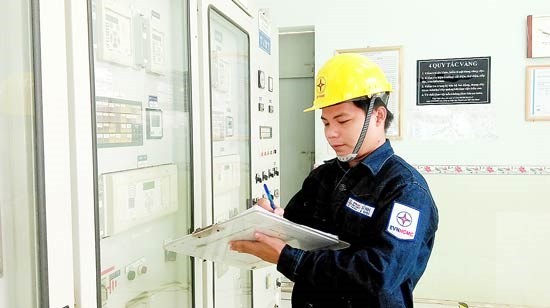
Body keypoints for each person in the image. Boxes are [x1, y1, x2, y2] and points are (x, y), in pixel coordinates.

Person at [230, 53, 439, 307]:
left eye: (342, 121)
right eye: (326, 122)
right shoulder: (324, 176)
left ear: (378, 116)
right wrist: (274, 219)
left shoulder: (405, 188)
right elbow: (297, 225)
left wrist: (287, 258)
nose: (331, 133)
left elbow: (378, 273)